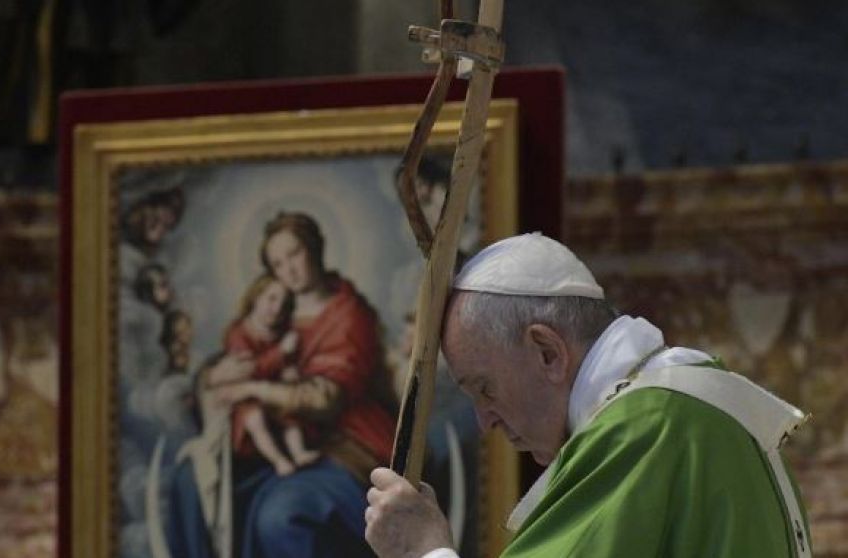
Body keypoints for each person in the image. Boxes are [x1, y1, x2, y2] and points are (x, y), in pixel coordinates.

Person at [365, 232, 813, 558]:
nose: (485, 420)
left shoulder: (645, 429)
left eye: (485, 389)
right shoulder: (687, 404)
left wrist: (422, 551)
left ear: (547, 352)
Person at [213, 211, 397, 557]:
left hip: (349, 445)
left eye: (294, 254)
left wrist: (254, 389)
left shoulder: (348, 314)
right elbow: (238, 359)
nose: (289, 270)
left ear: (314, 247)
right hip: (287, 445)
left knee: (280, 515)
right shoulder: (274, 313)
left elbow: (326, 398)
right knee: (204, 494)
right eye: (278, 263)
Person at [223, 273, 320, 476]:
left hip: (268, 391)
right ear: (255, 297)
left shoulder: (277, 332)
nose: (276, 308)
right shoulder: (239, 333)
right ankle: (279, 460)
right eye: (271, 299)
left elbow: (282, 366)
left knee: (288, 409)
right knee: (254, 418)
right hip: (243, 396)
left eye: (283, 303)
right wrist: (281, 352)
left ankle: (298, 452)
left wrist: (289, 371)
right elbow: (250, 370)